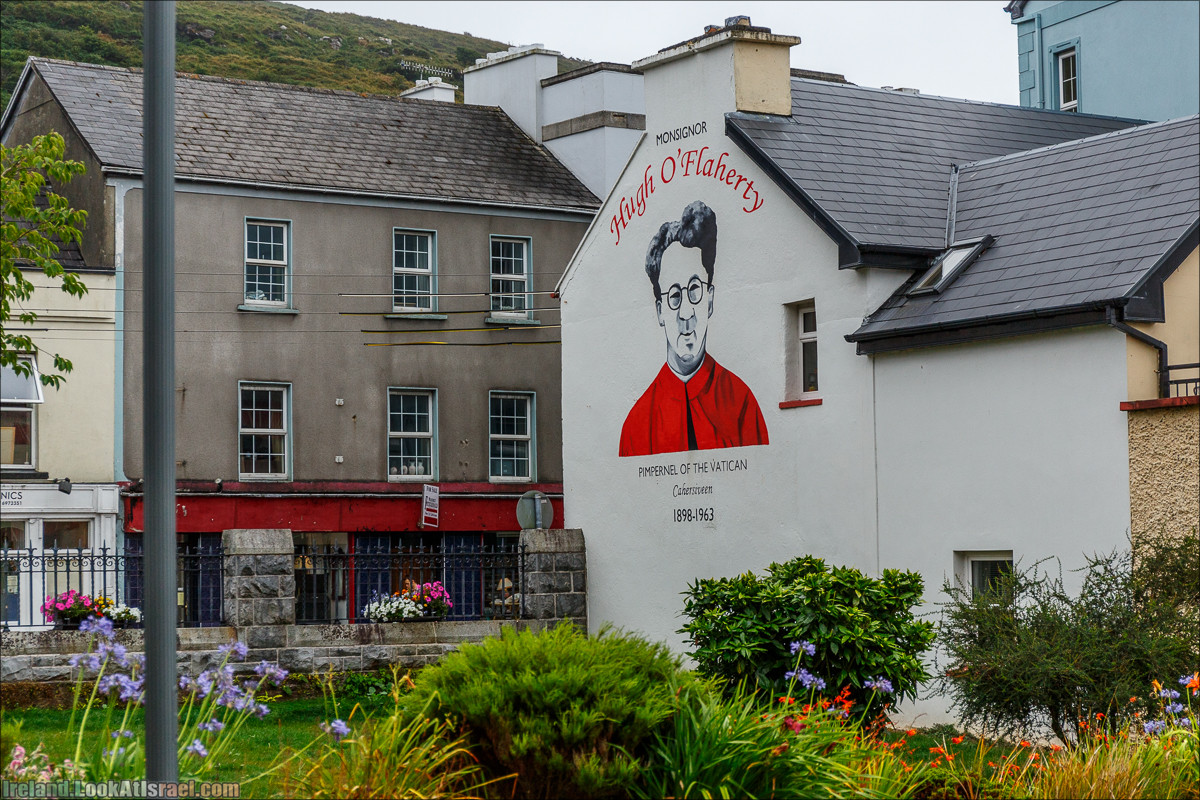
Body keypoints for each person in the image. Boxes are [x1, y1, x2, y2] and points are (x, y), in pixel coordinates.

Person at [619, 200, 768, 456]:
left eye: (695, 290)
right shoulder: (636, 425)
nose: (686, 313)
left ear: (710, 300)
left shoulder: (742, 403)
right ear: (659, 311)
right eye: (674, 295)